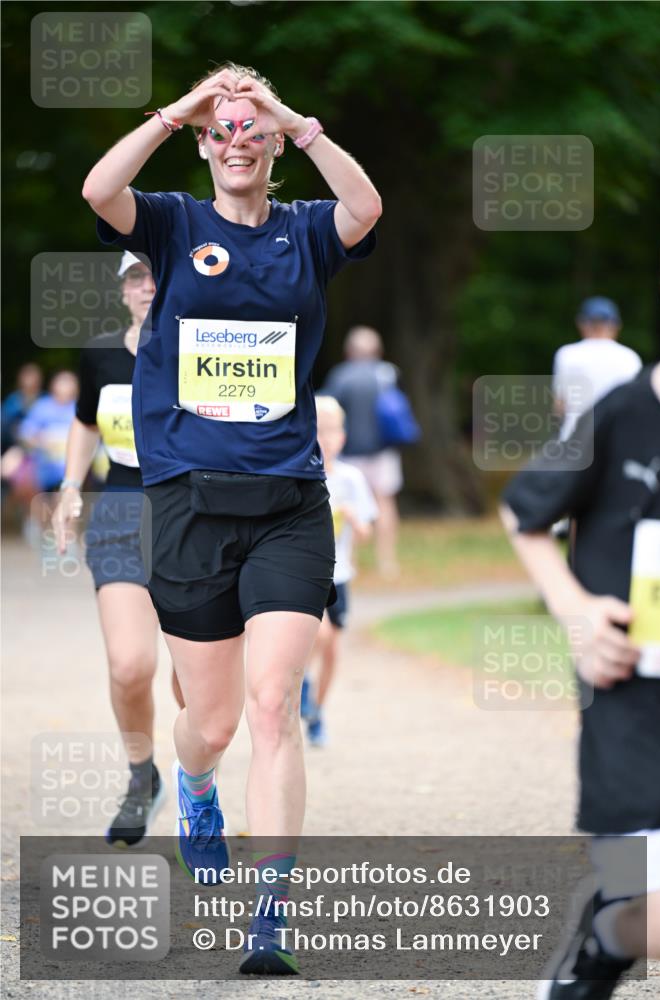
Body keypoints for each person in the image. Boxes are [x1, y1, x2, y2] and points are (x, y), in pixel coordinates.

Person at [82, 61, 380, 974]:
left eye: (252, 131)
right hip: (187, 505)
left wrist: (292, 117)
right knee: (207, 726)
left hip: (290, 499)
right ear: (206, 145)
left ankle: (270, 920)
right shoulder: (173, 223)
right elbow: (100, 188)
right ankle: (197, 789)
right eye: (225, 131)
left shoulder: (305, 232)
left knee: (271, 707)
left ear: (273, 147)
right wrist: (181, 110)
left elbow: (366, 207)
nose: (238, 141)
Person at [500, 275, 660, 998]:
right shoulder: (624, 413)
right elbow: (523, 512)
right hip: (633, 704)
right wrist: (573, 611)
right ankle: (604, 932)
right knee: (650, 913)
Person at [51, 251, 184, 848]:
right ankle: (142, 777)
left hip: (194, 516)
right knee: (131, 666)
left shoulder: (198, 347)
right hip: (121, 511)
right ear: (123, 288)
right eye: (136, 276)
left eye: (157, 274)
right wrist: (70, 489)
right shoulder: (101, 352)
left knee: (195, 683)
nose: (147, 286)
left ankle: (199, 786)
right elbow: (84, 421)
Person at [300, 396, 377, 746]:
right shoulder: (300, 477)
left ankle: (316, 709)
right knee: (322, 636)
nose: (325, 437)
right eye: (318, 429)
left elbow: (365, 532)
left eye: (331, 430)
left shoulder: (350, 479)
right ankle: (300, 683)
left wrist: (351, 517)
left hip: (340, 575)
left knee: (332, 651)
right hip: (306, 576)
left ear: (342, 437)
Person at [322, 325, 403, 577]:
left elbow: (325, 407)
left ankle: (349, 561)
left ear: (349, 351)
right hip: (384, 451)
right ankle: (387, 562)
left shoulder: (341, 376)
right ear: (377, 350)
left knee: (350, 505)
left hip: (351, 453)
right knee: (385, 503)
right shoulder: (388, 373)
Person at [553, 297, 641, 441]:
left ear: (582, 324)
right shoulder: (630, 358)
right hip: (615, 438)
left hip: (574, 438)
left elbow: (560, 405)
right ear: (616, 325)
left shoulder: (567, 354)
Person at [1, 362, 44, 454]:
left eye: (33, 377)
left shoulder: (45, 400)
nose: (30, 381)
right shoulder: (13, 401)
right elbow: (5, 426)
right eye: (27, 377)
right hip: (15, 446)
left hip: (41, 447)